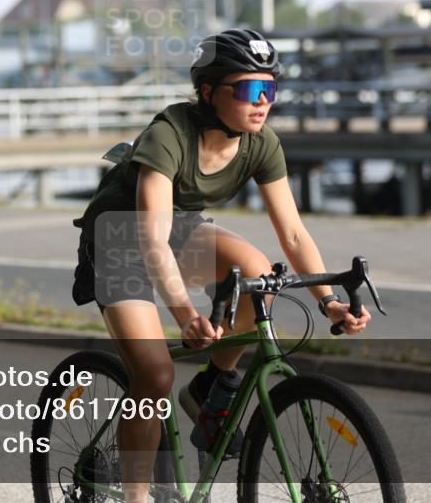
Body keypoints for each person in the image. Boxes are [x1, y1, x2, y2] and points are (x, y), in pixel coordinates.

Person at [70, 28, 371, 502]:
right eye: (250, 90)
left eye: (270, 89)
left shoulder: (260, 143)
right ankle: (135, 497)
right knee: (155, 376)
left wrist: (330, 302)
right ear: (209, 92)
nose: (263, 102)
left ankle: (211, 387)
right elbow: (150, 238)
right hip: (119, 240)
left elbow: (292, 233)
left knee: (257, 272)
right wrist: (186, 316)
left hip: (179, 228)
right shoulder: (169, 134)